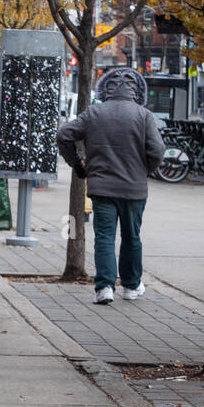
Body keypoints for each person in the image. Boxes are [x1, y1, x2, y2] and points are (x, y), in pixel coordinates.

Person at [55, 68, 165, 305]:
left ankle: (104, 287)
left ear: (105, 89)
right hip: (134, 189)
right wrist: (145, 170)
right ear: (137, 90)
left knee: (104, 236)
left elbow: (64, 134)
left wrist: (78, 164)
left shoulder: (94, 113)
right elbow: (157, 151)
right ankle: (131, 285)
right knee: (131, 236)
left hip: (102, 187)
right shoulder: (144, 115)